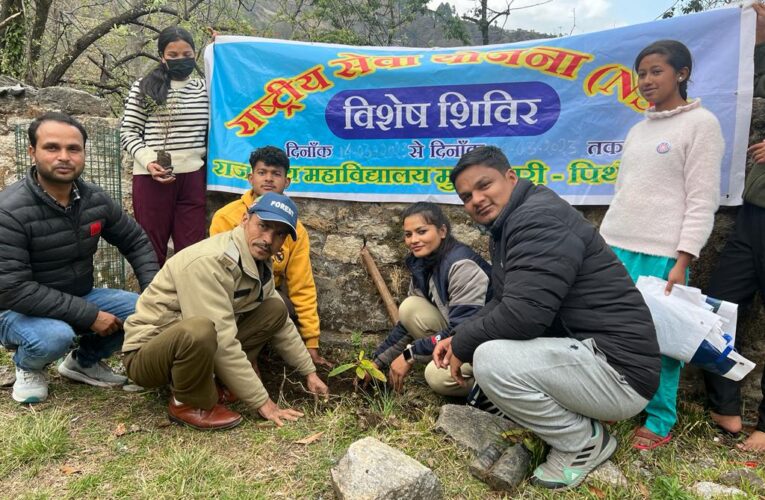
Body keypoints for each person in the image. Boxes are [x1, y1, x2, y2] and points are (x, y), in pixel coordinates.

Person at [433, 146, 661, 490]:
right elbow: (503, 301)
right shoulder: (512, 221)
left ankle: (583, 442)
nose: (476, 199)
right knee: (475, 354)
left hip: (618, 372)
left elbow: (524, 316)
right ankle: (553, 419)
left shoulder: (536, 218)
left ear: (511, 178)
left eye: (484, 185)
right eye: (467, 196)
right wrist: (459, 335)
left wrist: (467, 342)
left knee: (490, 359)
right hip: (590, 355)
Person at [599, 40, 724, 450]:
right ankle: (615, 400)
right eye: (641, 73)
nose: (646, 81)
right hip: (615, 245)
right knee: (608, 329)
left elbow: (702, 198)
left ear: (682, 74)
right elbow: (623, 191)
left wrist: (682, 258)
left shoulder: (701, 124)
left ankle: (659, 417)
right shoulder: (638, 129)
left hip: (662, 254)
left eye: (656, 71)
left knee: (661, 338)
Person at [122, 192, 329, 430]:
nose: (268, 239)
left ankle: (217, 381)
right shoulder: (211, 262)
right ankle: (187, 402)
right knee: (200, 330)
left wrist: (309, 372)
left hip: (194, 347)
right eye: (262, 226)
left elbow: (281, 324)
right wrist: (264, 403)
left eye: (279, 233)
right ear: (244, 219)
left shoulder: (258, 262)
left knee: (274, 309)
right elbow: (222, 339)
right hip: (147, 355)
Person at [0, 112, 159, 404]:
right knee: (54, 336)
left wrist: (154, 292)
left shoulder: (94, 200)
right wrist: (89, 315)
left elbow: (136, 241)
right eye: (52, 148)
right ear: (32, 152)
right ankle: (28, 366)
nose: (64, 157)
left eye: (73, 149)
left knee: (146, 312)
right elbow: (13, 288)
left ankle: (82, 362)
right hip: (15, 310)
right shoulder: (9, 210)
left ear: (84, 153)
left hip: (78, 293)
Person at [703, 1, 765, 453]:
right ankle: (725, 404)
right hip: (753, 210)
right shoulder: (755, 55)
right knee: (718, 308)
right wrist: (753, 38)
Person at [210, 146, 331, 368]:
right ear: (250, 178)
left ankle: (252, 354)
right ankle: (235, 361)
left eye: (276, 174)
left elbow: (301, 285)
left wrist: (311, 344)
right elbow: (214, 275)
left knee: (281, 304)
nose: (268, 179)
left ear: (287, 182)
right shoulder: (226, 217)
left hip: (265, 298)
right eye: (262, 172)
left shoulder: (296, 231)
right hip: (229, 296)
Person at [371, 202, 491, 396]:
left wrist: (409, 355)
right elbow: (406, 326)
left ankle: (493, 390)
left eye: (421, 231)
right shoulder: (421, 263)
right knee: (410, 307)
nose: (414, 240)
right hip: (458, 333)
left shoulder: (462, 266)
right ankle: (440, 356)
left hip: (484, 341)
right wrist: (376, 361)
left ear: (442, 231)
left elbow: (463, 329)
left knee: (437, 377)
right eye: (408, 234)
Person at [120, 26, 208, 265]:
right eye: (173, 55)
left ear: (195, 55)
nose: (181, 60)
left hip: (193, 179)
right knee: (151, 249)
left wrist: (225, 49)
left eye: (187, 54)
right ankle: (152, 300)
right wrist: (149, 162)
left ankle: (185, 301)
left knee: (192, 253)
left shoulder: (205, 89)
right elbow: (128, 131)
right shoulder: (145, 87)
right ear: (162, 57)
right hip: (152, 179)